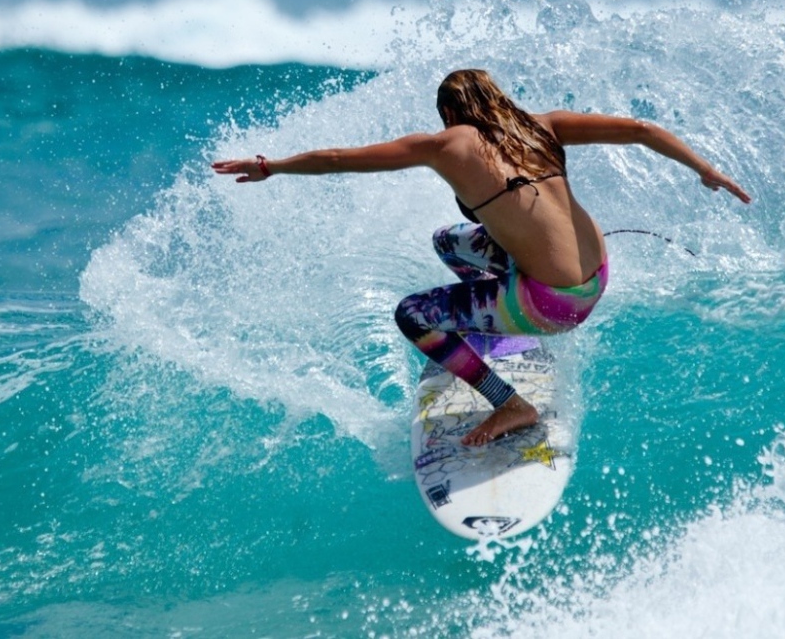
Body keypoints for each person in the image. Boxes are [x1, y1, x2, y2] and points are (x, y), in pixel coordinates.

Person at [212, 69, 751, 446]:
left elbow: (336, 159)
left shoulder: (447, 144)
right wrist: (704, 169)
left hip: (553, 304)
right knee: (450, 241)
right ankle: (495, 325)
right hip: (595, 279)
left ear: (450, 112)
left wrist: (272, 165)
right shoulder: (543, 125)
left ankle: (510, 402)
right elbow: (640, 129)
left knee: (413, 316)